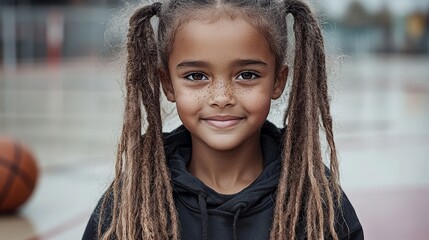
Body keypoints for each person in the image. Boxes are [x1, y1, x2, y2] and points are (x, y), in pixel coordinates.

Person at [82, 0, 364, 239]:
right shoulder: (131, 201)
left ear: (278, 81)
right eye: (196, 76)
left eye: (247, 75)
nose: (221, 97)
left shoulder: (316, 199)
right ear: (167, 84)